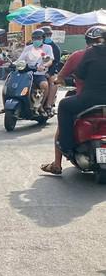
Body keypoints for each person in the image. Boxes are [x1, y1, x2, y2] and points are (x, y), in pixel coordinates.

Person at [41, 26, 106, 175]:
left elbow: (80, 74)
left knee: (64, 106)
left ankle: (65, 148)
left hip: (88, 99)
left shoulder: (85, 54)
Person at [16, 29, 53, 106]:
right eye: (34, 38)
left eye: (38, 38)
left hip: (40, 74)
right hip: (27, 74)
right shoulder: (28, 48)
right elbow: (20, 59)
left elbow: (49, 61)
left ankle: (41, 106)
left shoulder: (47, 48)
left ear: (43, 39)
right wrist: (15, 64)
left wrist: (44, 66)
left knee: (44, 85)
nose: (36, 40)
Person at [40, 26, 62, 113]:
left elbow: (56, 63)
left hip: (50, 71)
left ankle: (48, 105)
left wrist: (49, 73)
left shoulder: (55, 48)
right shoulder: (33, 46)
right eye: (46, 35)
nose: (48, 36)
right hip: (35, 70)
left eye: (49, 34)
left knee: (53, 82)